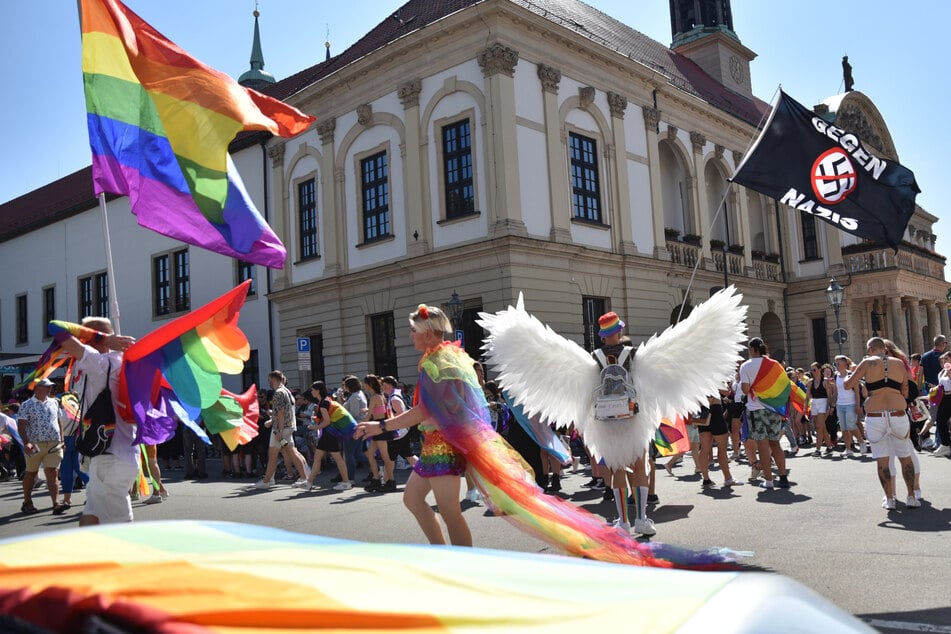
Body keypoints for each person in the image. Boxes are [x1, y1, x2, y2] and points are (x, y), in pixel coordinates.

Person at [355, 304, 473, 546]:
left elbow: (423, 410)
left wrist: (381, 426)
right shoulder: (439, 358)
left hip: (443, 445)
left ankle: (466, 569)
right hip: (434, 444)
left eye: (412, 330)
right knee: (413, 499)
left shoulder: (438, 362)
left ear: (427, 332)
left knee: (450, 512)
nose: (409, 336)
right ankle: (440, 552)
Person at [57, 317, 138, 525]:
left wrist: (102, 340)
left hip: (110, 458)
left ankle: (127, 558)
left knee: (120, 528)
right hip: (113, 454)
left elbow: (56, 328)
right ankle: (87, 557)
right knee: (90, 515)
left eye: (84, 335)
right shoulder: (123, 361)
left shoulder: (99, 362)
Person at [845, 338, 917, 509]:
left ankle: (890, 499)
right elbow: (905, 390)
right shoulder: (899, 363)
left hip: (876, 415)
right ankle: (912, 496)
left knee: (882, 459)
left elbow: (848, 385)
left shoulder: (866, 363)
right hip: (897, 413)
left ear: (870, 349)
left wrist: (862, 380)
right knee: (905, 457)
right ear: (884, 349)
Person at [739, 337, 790, 489]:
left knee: (762, 445)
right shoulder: (774, 364)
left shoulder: (746, 366)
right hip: (772, 408)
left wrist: (755, 388)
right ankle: (783, 477)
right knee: (775, 443)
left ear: (752, 349)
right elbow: (783, 385)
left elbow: (746, 389)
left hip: (756, 410)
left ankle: (768, 480)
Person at [252, 371, 310, 489]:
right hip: (288, 427)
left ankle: (268, 480)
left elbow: (281, 413)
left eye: (269, 379)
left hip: (281, 428)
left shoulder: (278, 393)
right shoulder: (287, 391)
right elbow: (284, 412)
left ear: (273, 379)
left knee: (275, 454)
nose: (269, 382)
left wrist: (278, 430)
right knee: (290, 452)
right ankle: (303, 478)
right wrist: (273, 421)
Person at [17, 378, 64, 514]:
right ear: (37, 388)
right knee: (31, 473)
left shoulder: (54, 402)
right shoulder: (26, 405)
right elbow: (21, 427)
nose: (50, 389)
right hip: (35, 444)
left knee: (52, 472)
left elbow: (59, 421)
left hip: (53, 443)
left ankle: (56, 503)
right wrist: (26, 443)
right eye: (46, 387)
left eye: (50, 387)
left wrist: (62, 440)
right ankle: (27, 501)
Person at [297, 381, 352, 492]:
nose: (311, 391)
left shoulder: (323, 403)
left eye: (312, 389)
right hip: (330, 433)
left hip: (329, 433)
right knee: (319, 458)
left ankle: (346, 482)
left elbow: (326, 421)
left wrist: (314, 428)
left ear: (317, 391)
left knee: (336, 458)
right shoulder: (326, 401)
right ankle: (309, 483)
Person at [363, 374, 396, 493]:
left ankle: (390, 481)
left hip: (379, 427)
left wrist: (360, 426)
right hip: (380, 426)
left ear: (370, 384)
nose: (364, 385)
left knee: (384, 456)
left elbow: (369, 416)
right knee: (370, 454)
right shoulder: (380, 396)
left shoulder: (374, 397)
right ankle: (376, 479)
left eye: (365, 383)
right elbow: (378, 412)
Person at [833, 355, 866, 457]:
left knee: (851, 426)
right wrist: (833, 405)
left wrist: (858, 405)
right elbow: (836, 392)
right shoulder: (836, 376)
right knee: (844, 428)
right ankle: (848, 449)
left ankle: (861, 442)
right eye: (835, 363)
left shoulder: (851, 375)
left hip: (850, 404)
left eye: (838, 363)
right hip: (840, 404)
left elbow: (856, 391)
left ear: (844, 364)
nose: (836, 365)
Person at [807, 363, 835, 457]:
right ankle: (829, 447)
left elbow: (829, 395)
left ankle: (818, 449)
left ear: (819, 370)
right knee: (820, 426)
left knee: (819, 426)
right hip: (814, 403)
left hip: (823, 403)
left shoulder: (825, 381)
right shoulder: (810, 381)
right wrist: (804, 407)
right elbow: (807, 397)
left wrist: (830, 406)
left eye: (814, 370)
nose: (812, 372)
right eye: (811, 370)